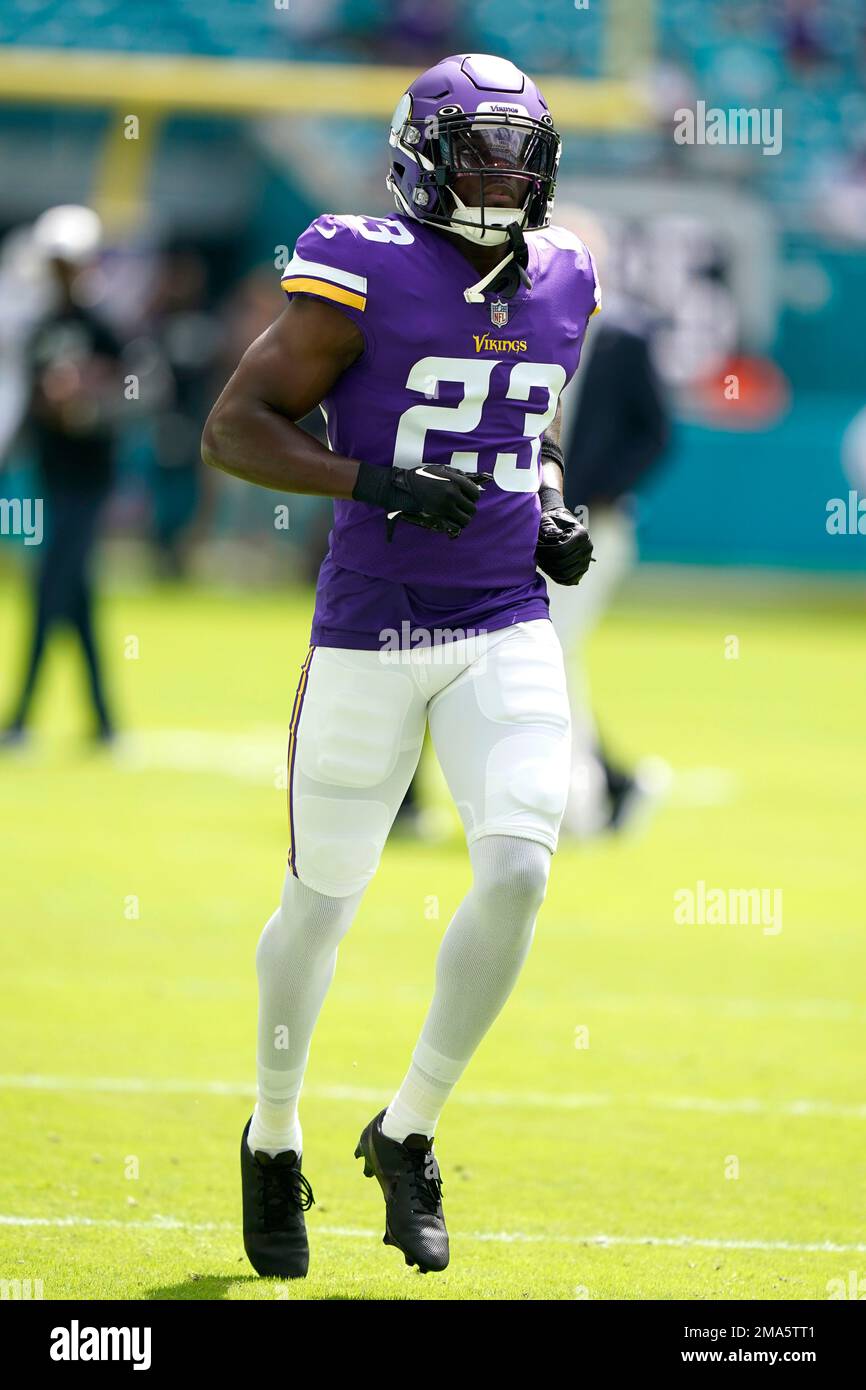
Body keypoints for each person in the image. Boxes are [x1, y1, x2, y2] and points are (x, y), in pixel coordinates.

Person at [202, 53, 597, 1279]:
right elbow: (234, 429)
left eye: (515, 155)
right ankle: (272, 1137)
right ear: (421, 154)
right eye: (477, 150)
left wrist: (548, 504)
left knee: (521, 869)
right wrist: (368, 480)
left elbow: (519, 432)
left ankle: (406, 1125)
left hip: (498, 616)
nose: (497, 174)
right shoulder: (357, 262)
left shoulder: (566, 271)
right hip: (369, 624)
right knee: (321, 901)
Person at [546, 217, 672, 835]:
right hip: (532, 519)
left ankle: (584, 797)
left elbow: (655, 435)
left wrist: (596, 494)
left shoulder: (624, 334)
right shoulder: (526, 327)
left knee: (547, 651)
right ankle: (608, 787)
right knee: (542, 653)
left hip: (594, 524)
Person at [2, 206, 122, 746]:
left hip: (89, 479)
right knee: (73, 596)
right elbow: (30, 404)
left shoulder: (105, 329)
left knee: (51, 588)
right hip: (51, 476)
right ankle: (103, 723)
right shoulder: (42, 328)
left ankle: (22, 717)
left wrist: (87, 402)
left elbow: (136, 396)